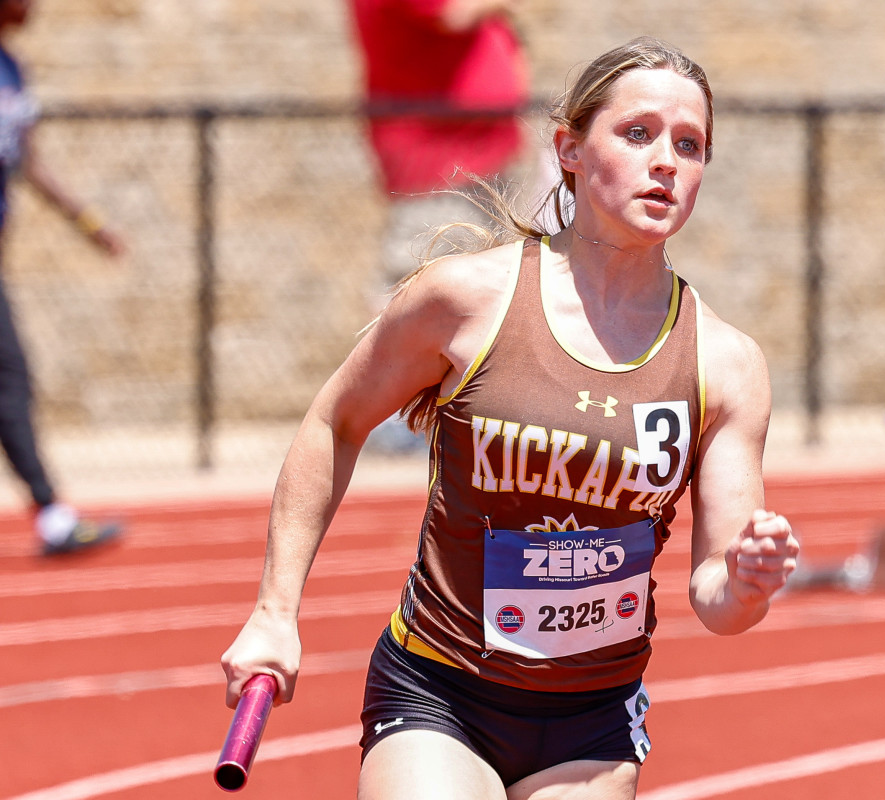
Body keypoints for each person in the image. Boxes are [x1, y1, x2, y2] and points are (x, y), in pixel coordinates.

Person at [221, 36, 800, 800]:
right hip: (440, 694)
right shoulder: (464, 302)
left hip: (592, 724)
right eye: (638, 133)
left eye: (689, 146)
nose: (666, 161)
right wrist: (274, 611)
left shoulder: (725, 365)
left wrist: (750, 584)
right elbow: (336, 421)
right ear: (569, 150)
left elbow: (717, 600)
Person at [348, 0, 534, 454]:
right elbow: (452, 12)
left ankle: (461, 410)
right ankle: (391, 414)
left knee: (489, 284)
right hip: (435, 157)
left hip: (478, 155)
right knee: (417, 280)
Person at [0, 0, 124, 556]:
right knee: (9, 377)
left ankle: (51, 512)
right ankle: (50, 511)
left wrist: (89, 223)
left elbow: (28, 163)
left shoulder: (11, 68)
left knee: (10, 379)